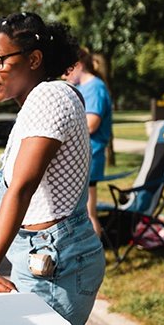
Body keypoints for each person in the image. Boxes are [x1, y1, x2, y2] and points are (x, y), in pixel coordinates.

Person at [0, 12, 105, 325]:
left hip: (54, 263)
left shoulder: (50, 97)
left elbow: (22, 188)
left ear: (33, 59)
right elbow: (10, 191)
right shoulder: (36, 103)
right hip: (40, 255)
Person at [65, 48, 113, 236]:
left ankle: (95, 251)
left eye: (66, 70)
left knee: (88, 215)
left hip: (90, 158)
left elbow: (91, 124)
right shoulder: (82, 87)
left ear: (78, 65)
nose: (64, 76)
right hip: (81, 158)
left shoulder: (95, 87)